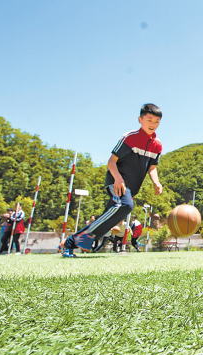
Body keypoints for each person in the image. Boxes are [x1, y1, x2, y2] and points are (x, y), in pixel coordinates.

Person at [63, 104, 164, 257]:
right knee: (126, 205)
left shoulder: (157, 145)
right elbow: (111, 162)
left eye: (157, 121)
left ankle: (74, 242)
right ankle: (75, 240)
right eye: (149, 120)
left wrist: (156, 182)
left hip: (132, 187)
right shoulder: (130, 138)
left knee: (113, 215)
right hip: (116, 181)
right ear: (140, 120)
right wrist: (118, 179)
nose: (153, 124)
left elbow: (152, 167)